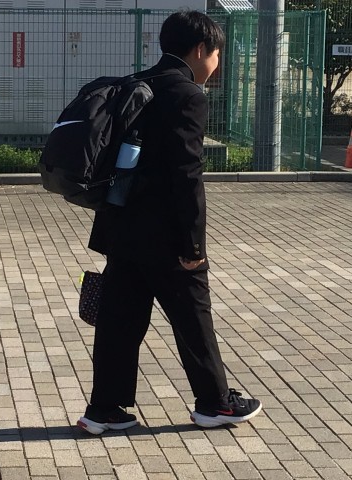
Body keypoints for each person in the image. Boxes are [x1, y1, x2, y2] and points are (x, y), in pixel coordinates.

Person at [77, 10, 262, 435]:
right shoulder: (187, 94)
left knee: (119, 322)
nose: (216, 63)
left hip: (120, 226)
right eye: (217, 54)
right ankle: (216, 403)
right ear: (200, 49)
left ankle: (104, 410)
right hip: (165, 235)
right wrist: (193, 246)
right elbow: (186, 175)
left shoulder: (135, 83)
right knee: (194, 316)